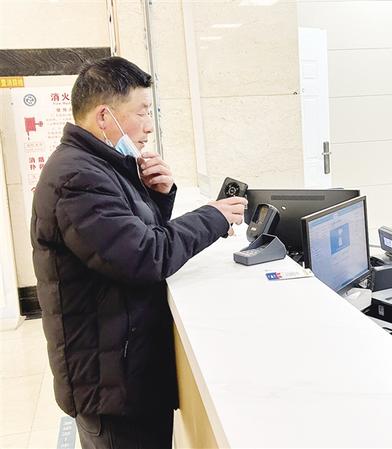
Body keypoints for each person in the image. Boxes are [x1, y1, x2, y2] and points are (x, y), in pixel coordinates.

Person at [30, 56, 247, 448]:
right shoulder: (78, 177)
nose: (149, 125)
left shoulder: (101, 165)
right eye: (142, 112)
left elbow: (123, 243)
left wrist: (157, 197)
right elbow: (145, 256)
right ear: (104, 116)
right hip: (110, 387)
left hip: (121, 371)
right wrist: (213, 216)